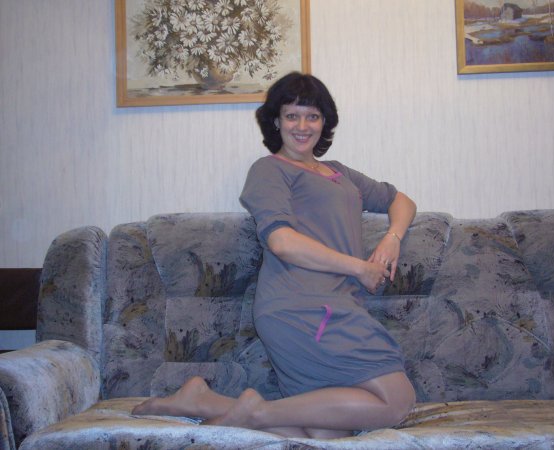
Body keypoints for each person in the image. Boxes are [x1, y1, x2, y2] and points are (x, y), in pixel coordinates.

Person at [132, 72, 417, 439]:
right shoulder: (269, 170)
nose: (302, 126)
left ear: (325, 121)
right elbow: (282, 242)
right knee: (397, 399)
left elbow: (401, 201)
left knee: (326, 436)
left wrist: (392, 238)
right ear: (276, 121)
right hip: (301, 307)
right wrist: (360, 268)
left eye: (312, 116)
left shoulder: (340, 174)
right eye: (291, 115)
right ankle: (256, 412)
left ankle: (205, 401)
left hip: (339, 306)